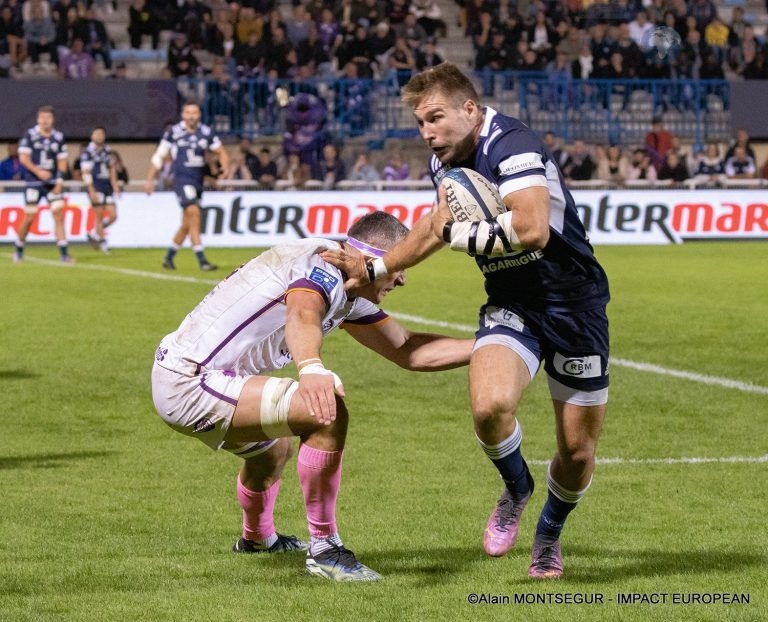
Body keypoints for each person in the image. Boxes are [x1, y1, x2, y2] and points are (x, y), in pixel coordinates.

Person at [320, 62, 610, 580]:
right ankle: (518, 487)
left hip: (575, 307)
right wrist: (379, 267)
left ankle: (549, 531)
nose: (427, 132)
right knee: (490, 408)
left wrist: (464, 238)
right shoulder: (446, 161)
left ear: (470, 110)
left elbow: (534, 228)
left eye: (435, 118)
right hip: (512, 304)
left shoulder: (513, 145)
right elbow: (437, 223)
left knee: (577, 451)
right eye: (419, 123)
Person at [150, 211, 473, 581]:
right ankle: (326, 549)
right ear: (370, 260)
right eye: (397, 264)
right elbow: (303, 311)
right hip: (191, 380)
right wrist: (311, 368)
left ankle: (257, 539)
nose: (402, 277)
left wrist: (495, 345)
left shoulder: (346, 287)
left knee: (273, 450)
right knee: (326, 412)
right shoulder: (323, 267)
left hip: (189, 373)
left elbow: (409, 349)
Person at [144, 100, 231, 272]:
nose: (191, 116)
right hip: (182, 180)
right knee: (194, 214)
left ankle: (169, 258)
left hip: (198, 181)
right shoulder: (173, 132)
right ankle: (202, 260)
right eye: (188, 113)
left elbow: (221, 151)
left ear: (199, 115)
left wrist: (225, 167)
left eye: (195, 112)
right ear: (183, 115)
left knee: (187, 222)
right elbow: (159, 156)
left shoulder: (206, 132)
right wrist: (150, 179)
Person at [14, 105, 72, 263]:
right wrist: (38, 172)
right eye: (42, 117)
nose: (45, 121)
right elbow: (24, 158)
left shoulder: (58, 137)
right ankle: (19, 249)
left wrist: (60, 181)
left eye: (48, 117)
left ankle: (64, 254)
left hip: (52, 183)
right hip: (34, 182)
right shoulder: (30, 135)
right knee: (30, 217)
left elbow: (62, 161)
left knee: (58, 215)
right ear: (37, 119)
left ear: (53, 120)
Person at [81, 126, 121, 254]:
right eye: (97, 133)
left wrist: (115, 185)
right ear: (92, 136)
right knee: (99, 215)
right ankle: (103, 242)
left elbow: (112, 168)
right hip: (96, 185)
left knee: (113, 216)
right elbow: (85, 172)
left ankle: (94, 233)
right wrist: (91, 190)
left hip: (107, 186)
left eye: (101, 133)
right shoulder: (87, 152)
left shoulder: (108, 151)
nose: (99, 136)